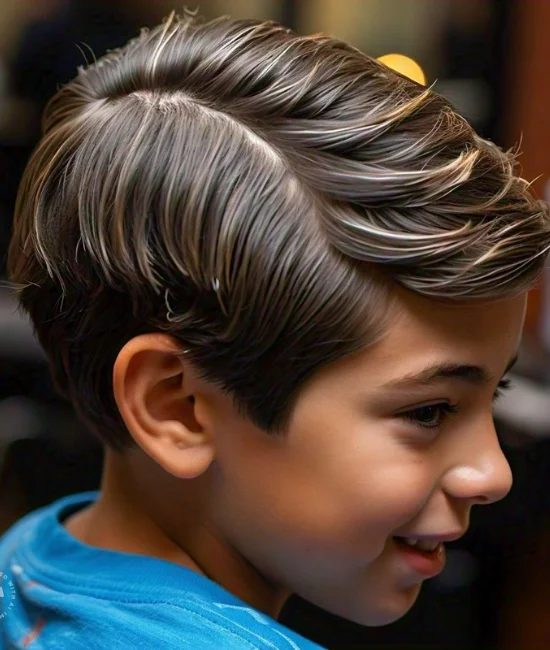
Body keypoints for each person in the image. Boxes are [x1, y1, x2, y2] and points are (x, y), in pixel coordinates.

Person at [1, 9, 549, 649]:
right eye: (430, 411)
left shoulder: (35, 554)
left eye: (496, 394)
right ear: (175, 405)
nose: (493, 473)